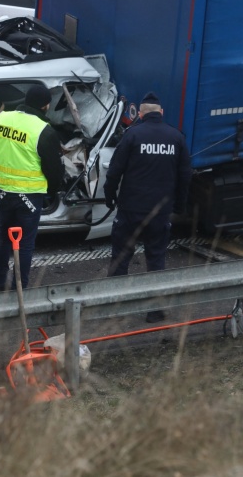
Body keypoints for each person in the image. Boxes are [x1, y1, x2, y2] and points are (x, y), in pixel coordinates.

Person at [103, 91, 192, 322]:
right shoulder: (176, 137)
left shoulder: (132, 135)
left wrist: (109, 197)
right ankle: (155, 310)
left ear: (140, 114)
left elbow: (114, 171)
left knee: (121, 258)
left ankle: (116, 310)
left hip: (130, 210)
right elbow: (185, 176)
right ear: (161, 113)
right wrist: (180, 206)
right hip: (160, 213)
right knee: (156, 258)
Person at [0, 84, 63, 292]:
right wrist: (52, 191)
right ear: (46, 106)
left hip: (3, 191)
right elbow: (54, 171)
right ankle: (18, 291)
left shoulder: (1, 119)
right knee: (25, 244)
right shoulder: (43, 130)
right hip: (30, 197)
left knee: (4, 238)